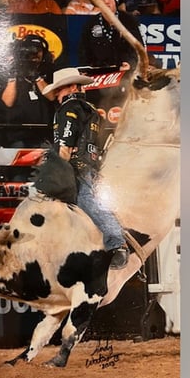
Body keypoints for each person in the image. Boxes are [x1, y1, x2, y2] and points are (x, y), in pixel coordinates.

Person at [41, 67, 130, 270]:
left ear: (72, 86)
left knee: (85, 201)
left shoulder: (69, 108)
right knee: (82, 205)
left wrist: (59, 171)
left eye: (59, 90)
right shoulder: (90, 109)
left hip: (75, 168)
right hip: (90, 165)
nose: (56, 96)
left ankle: (117, 244)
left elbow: (65, 144)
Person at [0, 34, 56, 148]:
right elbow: (8, 101)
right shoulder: (13, 70)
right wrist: (14, 74)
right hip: (19, 135)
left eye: (39, 50)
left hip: (43, 135)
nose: (35, 54)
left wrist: (36, 76)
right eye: (31, 50)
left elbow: (52, 96)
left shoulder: (49, 71)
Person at [78, 0, 145, 72]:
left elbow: (138, 48)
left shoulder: (129, 20)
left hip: (125, 71)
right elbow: (84, 51)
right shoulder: (91, 23)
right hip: (100, 72)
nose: (105, 2)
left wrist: (131, 64)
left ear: (115, 0)